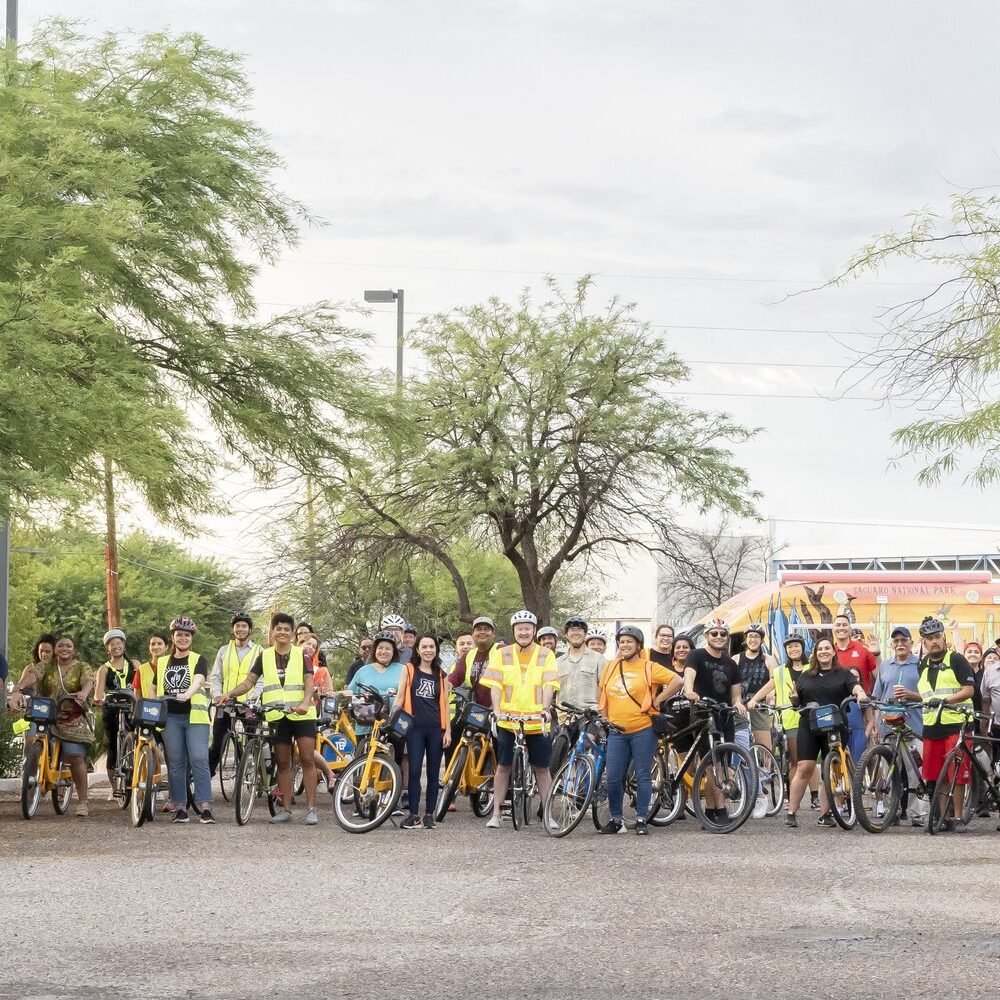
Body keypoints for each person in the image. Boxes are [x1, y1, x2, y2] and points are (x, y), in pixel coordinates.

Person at [219, 612, 320, 825]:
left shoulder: (302, 654)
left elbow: (309, 682)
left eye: (286, 629)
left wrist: (304, 702)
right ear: (272, 632)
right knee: (283, 762)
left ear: (292, 634)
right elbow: (249, 682)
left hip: (302, 714)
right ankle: (286, 810)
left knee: (308, 758)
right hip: (276, 714)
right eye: (278, 628)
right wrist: (229, 694)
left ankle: (311, 809)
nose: (282, 632)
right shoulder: (264, 655)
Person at [482, 609, 558, 830]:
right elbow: (495, 686)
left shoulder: (546, 654)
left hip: (536, 720)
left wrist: (545, 708)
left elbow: (549, 685)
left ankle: (548, 814)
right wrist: (497, 710)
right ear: (514, 631)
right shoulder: (502, 654)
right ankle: (496, 813)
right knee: (503, 766)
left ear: (534, 631)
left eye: (527, 628)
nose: (523, 632)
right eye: (519, 629)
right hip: (508, 720)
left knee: (542, 768)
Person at [597, 625, 676, 835]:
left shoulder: (648, 667)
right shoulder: (611, 667)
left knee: (642, 775)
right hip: (616, 731)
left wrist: (658, 700)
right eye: (621, 642)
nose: (624, 645)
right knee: (613, 776)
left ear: (638, 645)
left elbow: (677, 680)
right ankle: (616, 820)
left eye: (629, 642)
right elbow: (602, 691)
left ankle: (641, 818)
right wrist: (603, 717)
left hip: (643, 729)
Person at [784, 636, 868, 829]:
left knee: (830, 770)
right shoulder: (806, 675)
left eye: (827, 648)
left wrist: (860, 693)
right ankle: (791, 811)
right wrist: (795, 699)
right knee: (804, 767)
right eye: (819, 649)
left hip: (835, 725)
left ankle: (825, 813)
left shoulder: (844, 674)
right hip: (810, 725)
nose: (823, 651)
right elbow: (797, 702)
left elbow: (855, 686)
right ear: (815, 653)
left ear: (833, 652)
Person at [6, 634, 95, 817]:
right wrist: (18, 689)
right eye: (61, 645)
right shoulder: (47, 665)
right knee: (32, 741)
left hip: (70, 715)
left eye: (68, 646)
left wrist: (83, 693)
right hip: (46, 711)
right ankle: (31, 785)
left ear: (74, 649)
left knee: (75, 755)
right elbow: (33, 675)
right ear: (55, 649)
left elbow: (89, 680)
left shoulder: (81, 666)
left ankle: (83, 801)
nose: (64, 649)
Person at [682, 618, 748, 825]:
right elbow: (689, 676)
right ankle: (719, 809)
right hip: (703, 714)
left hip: (724, 715)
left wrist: (738, 703)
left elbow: (735, 693)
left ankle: (711, 810)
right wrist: (690, 692)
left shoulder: (730, 663)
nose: (718, 637)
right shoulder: (697, 655)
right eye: (714, 633)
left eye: (722, 634)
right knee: (711, 764)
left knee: (724, 763)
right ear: (706, 636)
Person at [916, 616, 975, 832]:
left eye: (937, 637)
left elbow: (968, 690)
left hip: (957, 724)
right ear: (923, 642)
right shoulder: (922, 664)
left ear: (944, 637)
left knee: (956, 774)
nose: (934, 642)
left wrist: (945, 701)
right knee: (937, 775)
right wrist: (909, 696)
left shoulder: (957, 660)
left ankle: (958, 817)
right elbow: (926, 695)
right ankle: (943, 817)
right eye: (929, 638)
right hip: (932, 727)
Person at [747, 632, 818, 809]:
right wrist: (754, 699)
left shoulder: (812, 668)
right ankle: (796, 799)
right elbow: (768, 686)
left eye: (796, 646)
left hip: (812, 717)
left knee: (810, 760)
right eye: (789, 647)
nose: (793, 649)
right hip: (791, 720)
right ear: (786, 650)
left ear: (802, 648)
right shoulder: (780, 671)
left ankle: (815, 796)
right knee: (796, 760)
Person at [157, 616, 214, 824]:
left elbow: (199, 679)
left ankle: (205, 806)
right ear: (173, 637)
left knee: (199, 760)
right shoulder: (162, 661)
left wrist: (188, 693)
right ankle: (180, 807)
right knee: (176, 763)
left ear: (192, 638)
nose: (183, 638)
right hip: (170, 717)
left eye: (187, 635)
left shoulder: (198, 658)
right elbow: (156, 687)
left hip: (195, 717)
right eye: (179, 634)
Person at [867, 625, 925, 826]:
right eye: (896, 641)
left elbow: (929, 695)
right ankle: (892, 811)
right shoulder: (885, 665)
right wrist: (874, 721)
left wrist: (911, 695)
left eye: (904, 640)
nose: (900, 644)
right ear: (892, 645)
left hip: (914, 726)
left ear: (911, 643)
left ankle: (916, 814)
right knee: (889, 770)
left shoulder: (921, 664)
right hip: (888, 727)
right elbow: (878, 696)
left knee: (916, 771)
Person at [394, 633, 451, 829]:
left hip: (436, 728)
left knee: (435, 773)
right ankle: (413, 814)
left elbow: (444, 703)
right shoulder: (408, 669)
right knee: (415, 770)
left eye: (432, 647)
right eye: (424, 647)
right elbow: (400, 696)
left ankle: (429, 814)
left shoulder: (441, 675)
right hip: (415, 728)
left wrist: (448, 731)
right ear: (417, 649)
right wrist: (393, 717)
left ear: (436, 650)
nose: (428, 650)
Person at [208, 613, 262, 779]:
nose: (240, 629)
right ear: (233, 629)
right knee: (217, 741)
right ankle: (205, 778)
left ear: (250, 629)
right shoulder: (224, 650)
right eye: (237, 626)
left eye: (244, 626)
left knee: (251, 740)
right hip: (225, 703)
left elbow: (261, 679)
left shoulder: (259, 651)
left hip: (249, 704)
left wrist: (253, 697)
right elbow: (216, 676)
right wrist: (217, 695)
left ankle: (252, 774)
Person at [551, 615, 604, 775]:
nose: (576, 632)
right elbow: (550, 690)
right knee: (557, 755)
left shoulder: (598, 659)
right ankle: (568, 786)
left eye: (579, 629)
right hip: (565, 718)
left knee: (583, 744)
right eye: (572, 629)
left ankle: (585, 780)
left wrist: (603, 714)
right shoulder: (557, 662)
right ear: (566, 635)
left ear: (585, 634)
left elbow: (605, 688)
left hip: (590, 715)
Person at [736, 623, 778, 819]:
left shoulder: (769, 660)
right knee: (740, 744)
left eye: (757, 637)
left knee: (764, 747)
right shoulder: (736, 659)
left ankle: (763, 782)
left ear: (762, 640)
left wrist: (761, 698)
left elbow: (774, 681)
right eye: (750, 636)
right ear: (745, 639)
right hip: (740, 704)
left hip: (758, 704)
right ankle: (748, 785)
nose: (753, 640)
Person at [93, 627, 139, 800]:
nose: (116, 647)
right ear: (107, 648)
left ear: (124, 646)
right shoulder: (104, 669)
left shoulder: (134, 665)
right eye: (112, 644)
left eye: (118, 643)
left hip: (131, 707)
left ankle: (137, 775)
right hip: (111, 708)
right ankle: (114, 788)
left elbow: (140, 685)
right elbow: (98, 691)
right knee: (112, 745)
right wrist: (98, 699)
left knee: (136, 740)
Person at [132, 631, 170, 699]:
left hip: (169, 708)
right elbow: (137, 697)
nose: (156, 647)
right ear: (149, 647)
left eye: (159, 644)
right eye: (153, 644)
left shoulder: (172, 667)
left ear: (166, 647)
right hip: (149, 708)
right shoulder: (141, 670)